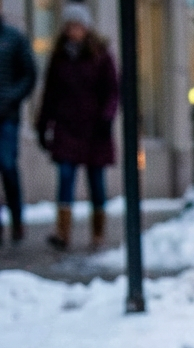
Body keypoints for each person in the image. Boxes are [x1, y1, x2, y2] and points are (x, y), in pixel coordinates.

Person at [35, 2, 117, 250]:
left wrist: (106, 118)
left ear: (86, 27)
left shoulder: (101, 55)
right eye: (70, 26)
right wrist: (42, 125)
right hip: (67, 126)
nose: (74, 31)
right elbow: (50, 93)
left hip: (94, 129)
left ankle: (98, 233)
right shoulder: (60, 56)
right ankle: (63, 233)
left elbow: (113, 91)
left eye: (78, 25)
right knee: (66, 177)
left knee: (96, 181)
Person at [0, 0, 36, 245]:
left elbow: (30, 74)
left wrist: (12, 98)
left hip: (7, 117)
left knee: (8, 166)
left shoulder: (14, 38)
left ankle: (17, 219)